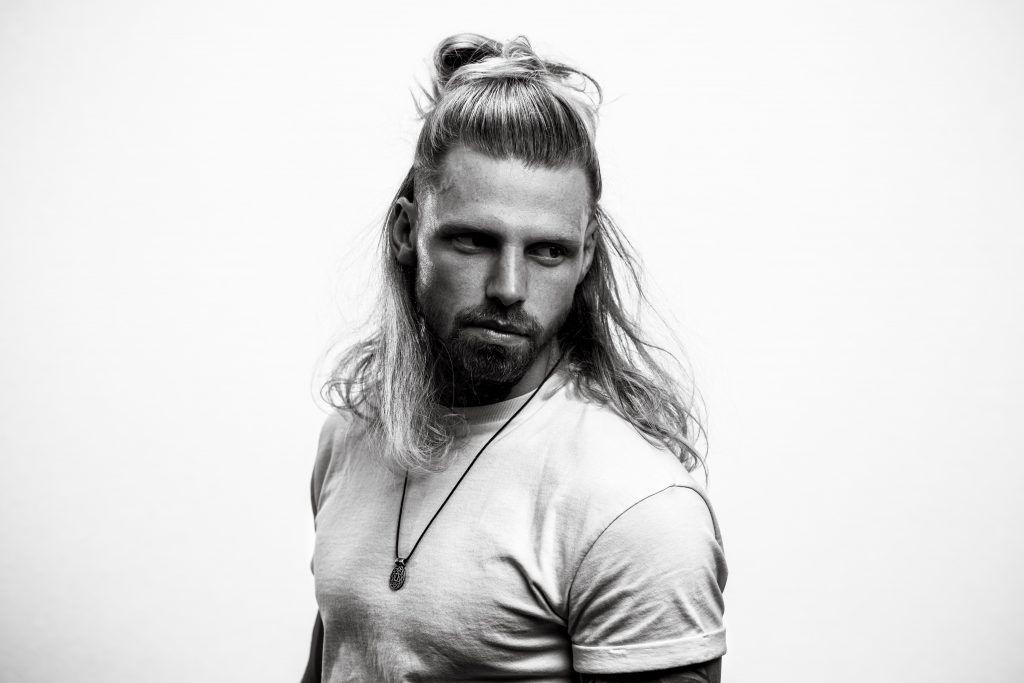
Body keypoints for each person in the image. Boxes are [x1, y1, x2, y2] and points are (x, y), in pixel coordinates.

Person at [302, 33, 727, 683]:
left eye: (547, 251)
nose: (508, 287)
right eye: (473, 241)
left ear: (585, 256)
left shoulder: (634, 506)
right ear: (407, 233)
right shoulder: (353, 435)